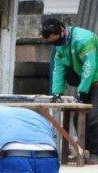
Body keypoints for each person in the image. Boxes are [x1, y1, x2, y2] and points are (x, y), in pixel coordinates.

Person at [41, 18, 98, 161]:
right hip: (86, 80)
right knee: (78, 116)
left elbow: (89, 67)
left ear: (63, 30)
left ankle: (96, 153)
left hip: (95, 77)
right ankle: (85, 151)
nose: (56, 45)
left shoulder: (83, 40)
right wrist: (57, 92)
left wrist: (82, 90)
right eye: (53, 43)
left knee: (93, 118)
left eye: (57, 40)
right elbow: (58, 68)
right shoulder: (60, 45)